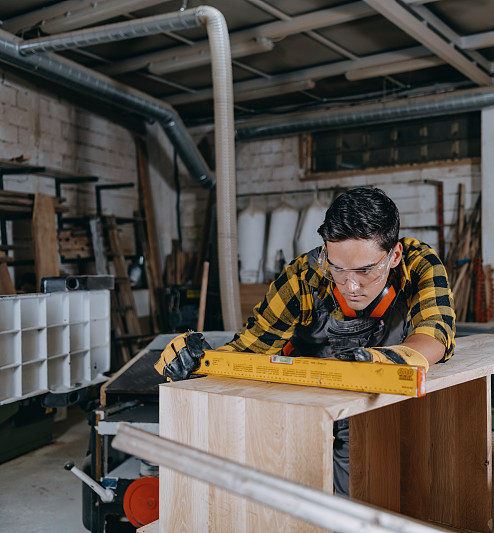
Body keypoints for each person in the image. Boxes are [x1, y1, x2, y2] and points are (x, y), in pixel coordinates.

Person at [155, 186, 456, 495]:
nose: (351, 285)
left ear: (393, 256)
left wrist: (379, 363)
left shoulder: (417, 263)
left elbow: (436, 333)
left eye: (365, 270)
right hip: (306, 413)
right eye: (337, 268)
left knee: (374, 496)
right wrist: (200, 361)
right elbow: (252, 347)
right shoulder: (303, 277)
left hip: (379, 408)